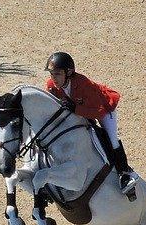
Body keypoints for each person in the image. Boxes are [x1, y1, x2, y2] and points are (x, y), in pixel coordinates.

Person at [45, 52, 137, 200]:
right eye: (51, 74)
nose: (53, 78)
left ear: (68, 73)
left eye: (57, 74)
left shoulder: (83, 84)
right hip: (83, 111)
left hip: (104, 108)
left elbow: (98, 112)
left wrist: (75, 108)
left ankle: (125, 174)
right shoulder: (51, 86)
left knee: (112, 139)